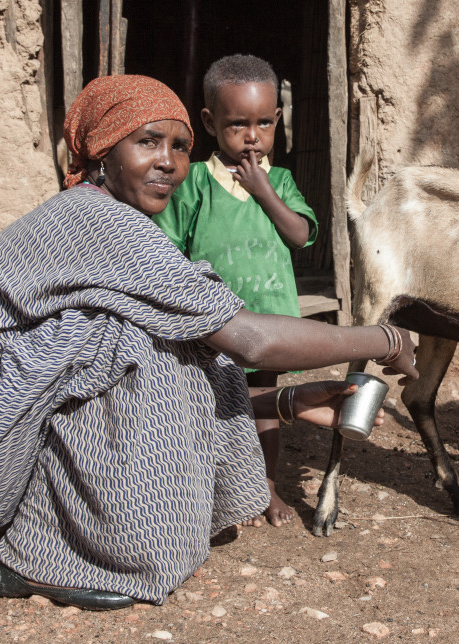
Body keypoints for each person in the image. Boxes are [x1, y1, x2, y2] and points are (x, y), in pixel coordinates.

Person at [0, 75, 417, 611]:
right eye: (147, 142)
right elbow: (249, 342)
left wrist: (285, 402)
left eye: (180, 147)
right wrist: (386, 339)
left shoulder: (96, 216)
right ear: (103, 152)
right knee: (145, 332)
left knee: (169, 319)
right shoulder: (98, 223)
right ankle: (41, 559)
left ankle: (63, 527)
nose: (170, 163)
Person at [154, 54, 312, 528]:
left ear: (277, 120)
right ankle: (212, 492)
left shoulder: (280, 181)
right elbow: (167, 248)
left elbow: (300, 235)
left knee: (265, 410)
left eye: (263, 123)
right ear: (209, 122)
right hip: (213, 326)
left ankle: (266, 487)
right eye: (237, 124)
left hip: (270, 322)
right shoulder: (195, 182)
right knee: (211, 409)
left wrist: (264, 191)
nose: (251, 136)